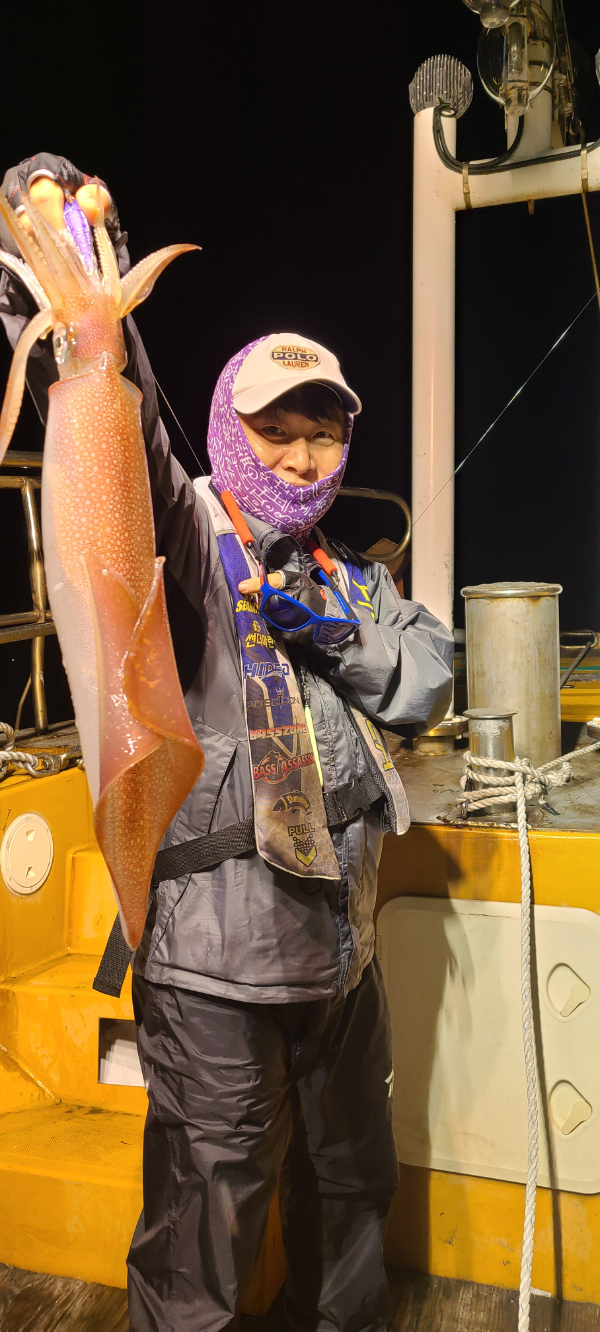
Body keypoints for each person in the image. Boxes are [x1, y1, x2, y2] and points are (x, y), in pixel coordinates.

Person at [0, 153, 454, 1332]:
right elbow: (122, 421)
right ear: (228, 430)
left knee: (351, 1186)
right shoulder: (190, 541)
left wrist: (339, 635)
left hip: (340, 955)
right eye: (277, 431)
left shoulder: (355, 577)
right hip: (213, 963)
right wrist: (78, 275)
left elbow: (428, 677)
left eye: (323, 436)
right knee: (208, 1219)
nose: (302, 459)